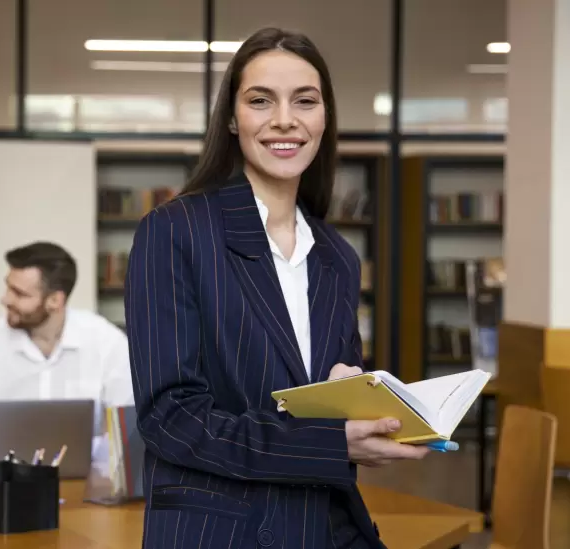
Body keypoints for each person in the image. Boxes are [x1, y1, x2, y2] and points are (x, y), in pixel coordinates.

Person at [124, 28, 429, 549]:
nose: (285, 119)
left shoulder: (337, 257)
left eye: (305, 101)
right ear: (231, 118)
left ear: (324, 118)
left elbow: (315, 401)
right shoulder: (176, 231)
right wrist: (327, 441)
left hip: (323, 525)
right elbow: (169, 418)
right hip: (218, 532)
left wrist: (350, 394)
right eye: (260, 101)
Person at [0, 241, 134, 467]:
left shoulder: (107, 343)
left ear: (55, 300)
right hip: (5, 477)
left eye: (19, 294)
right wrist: (12, 452)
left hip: (87, 480)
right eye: (8, 287)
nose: (6, 299)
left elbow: (127, 427)